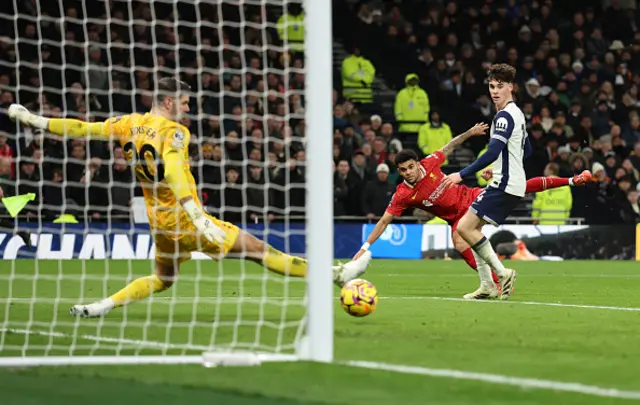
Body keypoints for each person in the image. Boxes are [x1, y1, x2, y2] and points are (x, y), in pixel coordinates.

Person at [8, 77, 371, 318]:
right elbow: (175, 171)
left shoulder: (126, 124)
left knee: (164, 278)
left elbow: (80, 129)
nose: (187, 108)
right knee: (261, 252)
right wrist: (198, 218)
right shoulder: (174, 132)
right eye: (184, 102)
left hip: (158, 221)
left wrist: (35, 121)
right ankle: (338, 275)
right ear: (168, 101)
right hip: (185, 218)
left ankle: (103, 305)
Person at [353, 131, 591, 299]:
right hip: (454, 217)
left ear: (418, 164)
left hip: (472, 199)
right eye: (402, 170)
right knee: (461, 239)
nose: (408, 173)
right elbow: (385, 220)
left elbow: (450, 146)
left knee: (516, 189)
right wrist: (365, 247)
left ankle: (571, 180)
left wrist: (471, 132)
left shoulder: (431, 163)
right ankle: (490, 285)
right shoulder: (403, 193)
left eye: (410, 167)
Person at [440, 64, 527, 300]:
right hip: (509, 181)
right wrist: (496, 168)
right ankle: (488, 285)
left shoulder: (503, 117)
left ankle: (502, 273)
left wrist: (461, 174)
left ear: (511, 87)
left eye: (500, 86)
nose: (495, 91)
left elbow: (491, 151)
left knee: (464, 228)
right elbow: (524, 150)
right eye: (491, 86)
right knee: (471, 229)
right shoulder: (518, 114)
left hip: (506, 184)